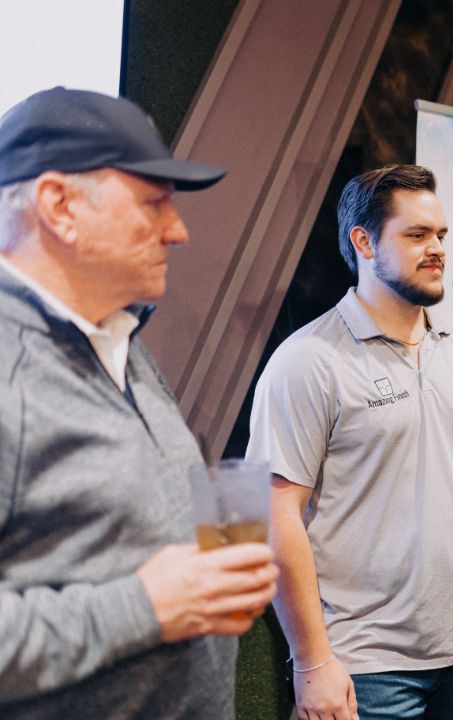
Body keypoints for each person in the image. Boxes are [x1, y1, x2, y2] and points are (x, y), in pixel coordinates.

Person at [0, 87, 278, 718]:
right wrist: (144, 608)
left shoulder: (124, 341)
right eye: (154, 204)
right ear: (59, 206)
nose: (177, 231)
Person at [247, 164, 453, 720]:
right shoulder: (307, 361)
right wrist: (312, 661)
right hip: (365, 666)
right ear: (363, 242)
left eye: (441, 235)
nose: (438, 249)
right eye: (417, 235)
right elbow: (275, 510)